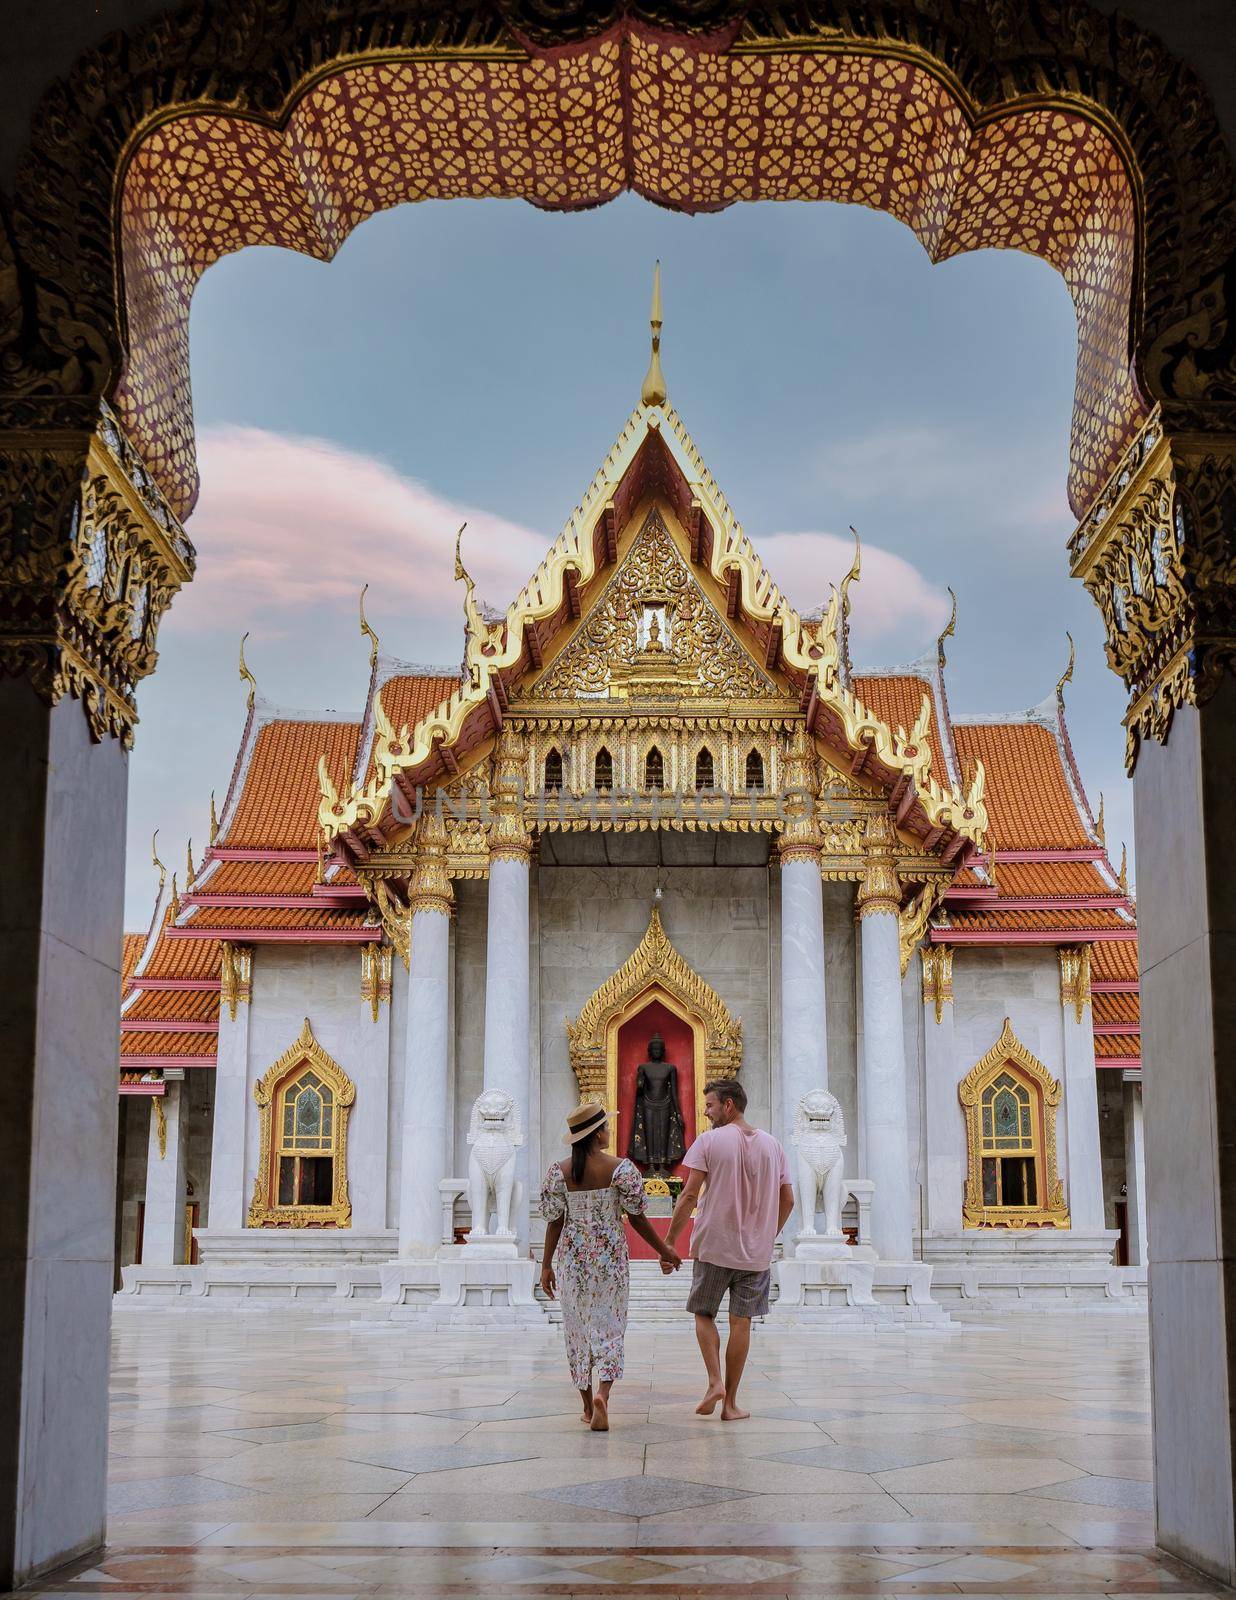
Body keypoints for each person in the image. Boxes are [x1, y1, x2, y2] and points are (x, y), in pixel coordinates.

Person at [540, 1101, 682, 1431]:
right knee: (610, 1328)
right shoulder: (621, 1169)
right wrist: (665, 1250)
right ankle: (604, 1392)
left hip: (573, 1261)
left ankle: (588, 1407)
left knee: (577, 1331)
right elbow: (637, 1218)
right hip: (610, 1263)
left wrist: (546, 1266)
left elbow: (554, 1222)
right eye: (605, 1127)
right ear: (596, 1135)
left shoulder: (559, 1172)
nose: (609, 1131)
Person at [664, 1078, 794, 1422]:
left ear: (728, 1105)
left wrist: (668, 1242)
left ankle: (714, 1382)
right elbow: (789, 1198)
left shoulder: (709, 1141)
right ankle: (731, 1404)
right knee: (742, 1323)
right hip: (755, 1254)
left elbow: (690, 1195)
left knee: (704, 1313)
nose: (705, 1112)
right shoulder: (774, 1146)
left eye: (709, 1105)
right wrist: (769, 1232)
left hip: (714, 1247)